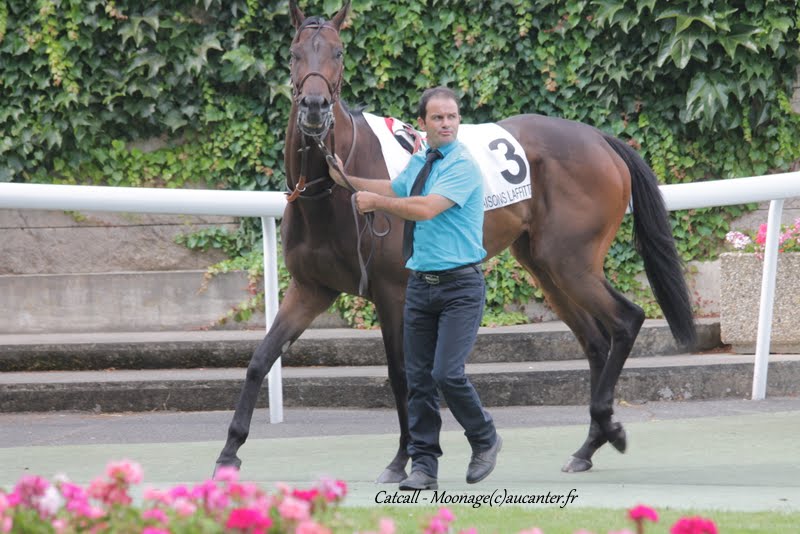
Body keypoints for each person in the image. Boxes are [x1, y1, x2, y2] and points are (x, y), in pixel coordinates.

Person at [327, 86, 501, 490]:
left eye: (452, 117)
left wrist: (374, 203)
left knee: (447, 373)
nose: (446, 124)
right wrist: (347, 179)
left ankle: (485, 437)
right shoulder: (423, 159)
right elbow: (398, 188)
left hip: (460, 286)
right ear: (422, 124)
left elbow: (424, 208)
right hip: (421, 285)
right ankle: (424, 467)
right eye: (438, 118)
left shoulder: (462, 165)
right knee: (417, 379)